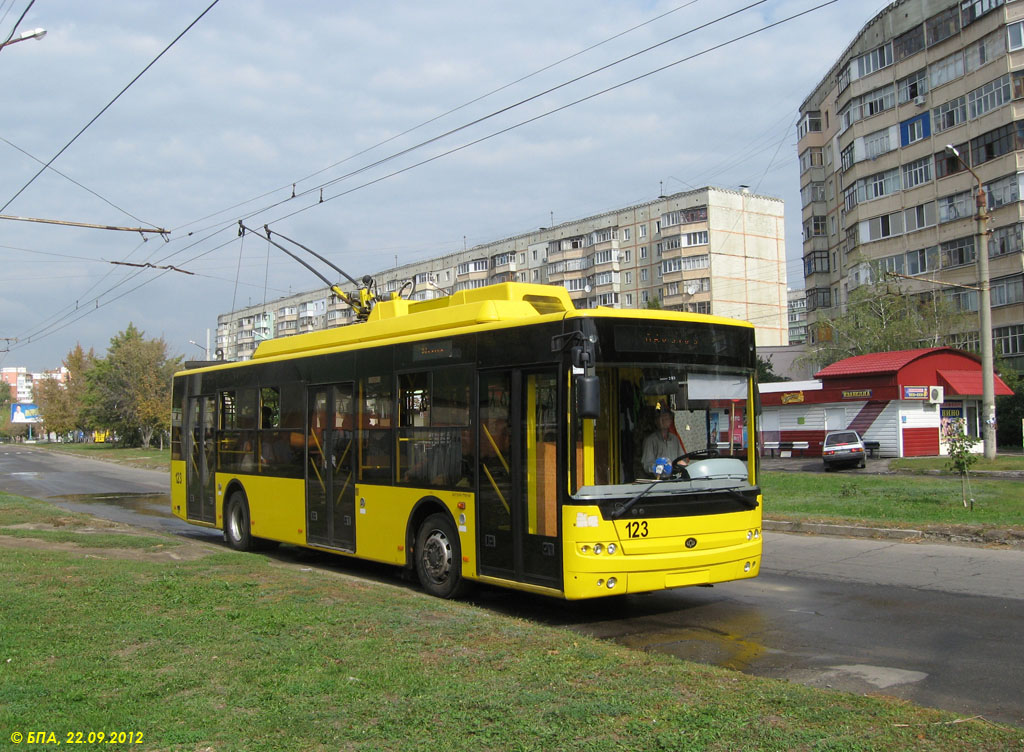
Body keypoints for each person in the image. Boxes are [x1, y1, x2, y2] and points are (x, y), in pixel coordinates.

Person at [641, 409, 687, 476]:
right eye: (660, 418)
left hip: (674, 479)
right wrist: (660, 468)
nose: (662, 420)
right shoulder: (650, 440)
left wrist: (681, 464)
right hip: (657, 481)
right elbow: (647, 465)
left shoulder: (675, 439)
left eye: (666, 418)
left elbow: (682, 459)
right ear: (656, 421)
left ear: (670, 421)